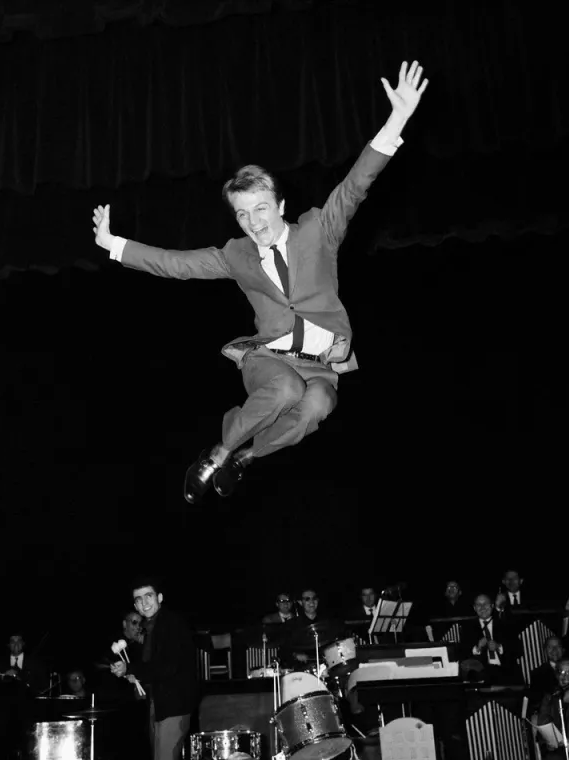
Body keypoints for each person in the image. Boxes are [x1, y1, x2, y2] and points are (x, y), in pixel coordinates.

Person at [91, 60, 429, 503]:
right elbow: (178, 264)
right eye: (243, 214)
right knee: (287, 389)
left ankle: (245, 459)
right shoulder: (237, 255)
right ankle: (216, 455)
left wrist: (397, 119)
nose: (254, 223)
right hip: (268, 358)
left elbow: (355, 185)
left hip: (322, 363)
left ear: (280, 204)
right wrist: (114, 244)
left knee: (316, 407)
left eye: (261, 209)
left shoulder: (317, 230)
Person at [110, 578, 198, 760]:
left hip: (173, 705)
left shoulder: (171, 623)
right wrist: (134, 673)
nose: (143, 602)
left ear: (159, 598)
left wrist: (131, 667)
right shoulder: (153, 626)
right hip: (159, 703)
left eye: (148, 596)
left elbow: (169, 665)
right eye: (138, 599)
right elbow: (156, 666)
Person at [459, 593, 521, 684]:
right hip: (480, 674)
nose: (482, 607)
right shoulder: (467, 628)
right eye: (478, 605)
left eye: (485, 604)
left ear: (492, 606)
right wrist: (477, 648)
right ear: (474, 608)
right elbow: (462, 653)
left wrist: (499, 647)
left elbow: (518, 649)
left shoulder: (505, 624)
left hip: (505, 671)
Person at [528, 636, 566, 707]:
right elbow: (536, 700)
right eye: (550, 647)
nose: (554, 650)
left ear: (563, 649)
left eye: (558, 646)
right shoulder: (537, 673)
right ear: (545, 651)